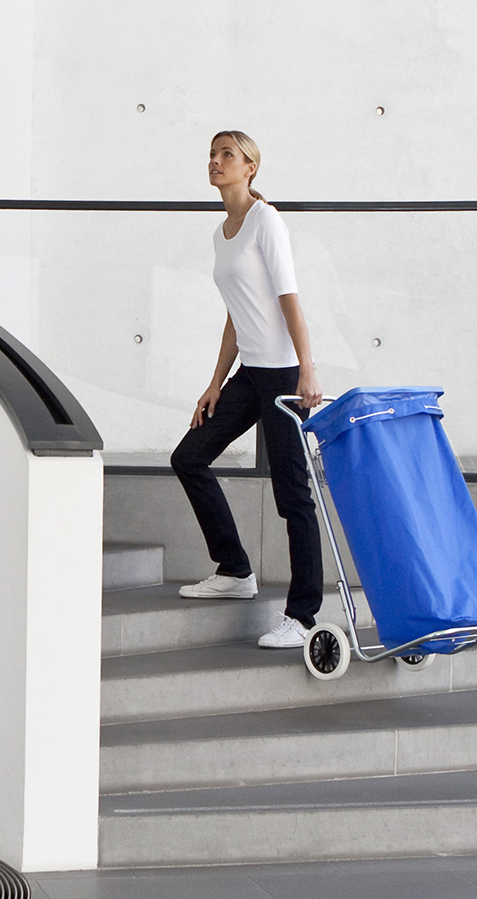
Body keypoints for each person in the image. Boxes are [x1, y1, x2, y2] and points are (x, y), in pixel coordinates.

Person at [171, 130, 325, 650]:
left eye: (227, 155)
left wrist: (308, 370)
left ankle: (303, 616)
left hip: (282, 376)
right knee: (189, 456)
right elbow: (236, 316)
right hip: (249, 375)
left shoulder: (266, 221)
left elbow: (289, 300)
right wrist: (214, 382)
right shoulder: (223, 232)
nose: (215, 162)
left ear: (250, 168)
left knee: (292, 496)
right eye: (212, 155)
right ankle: (235, 570)